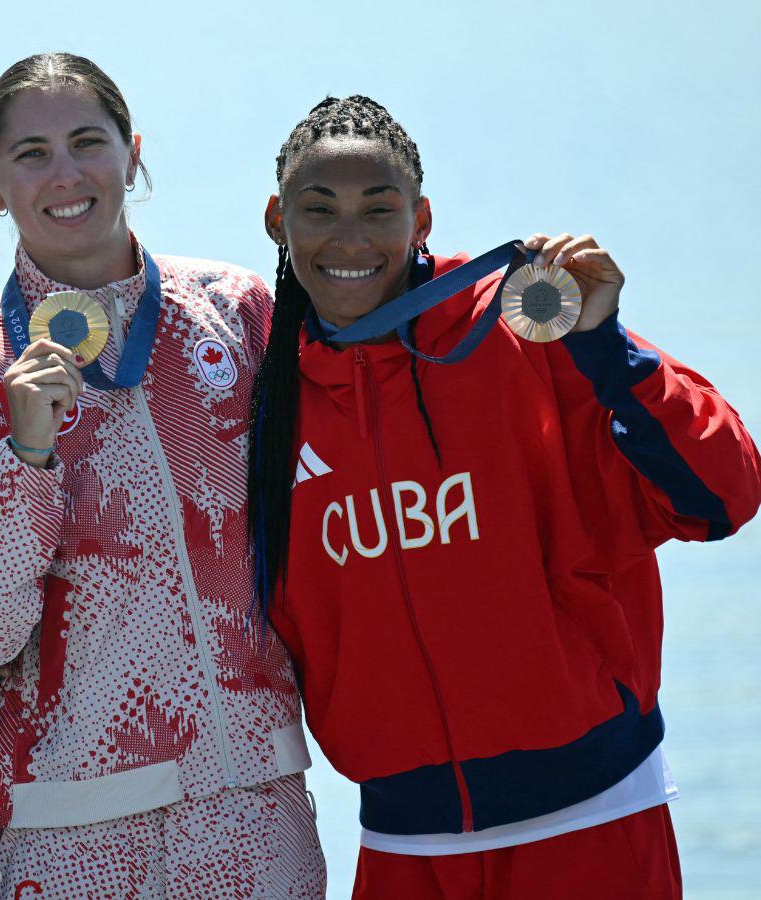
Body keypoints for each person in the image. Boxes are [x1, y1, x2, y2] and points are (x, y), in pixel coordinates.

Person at [247, 94, 761, 899]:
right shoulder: (266, 394)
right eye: (319, 209)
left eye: (379, 209)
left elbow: (722, 495)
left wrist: (606, 346)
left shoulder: (523, 330)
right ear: (278, 220)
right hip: (404, 844)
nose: (350, 239)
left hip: (592, 823)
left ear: (421, 220)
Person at [0, 53, 327, 899]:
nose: (66, 173)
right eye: (31, 154)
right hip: (70, 834)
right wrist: (23, 462)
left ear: (133, 154)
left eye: (87, 142)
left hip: (255, 812)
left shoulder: (239, 311)